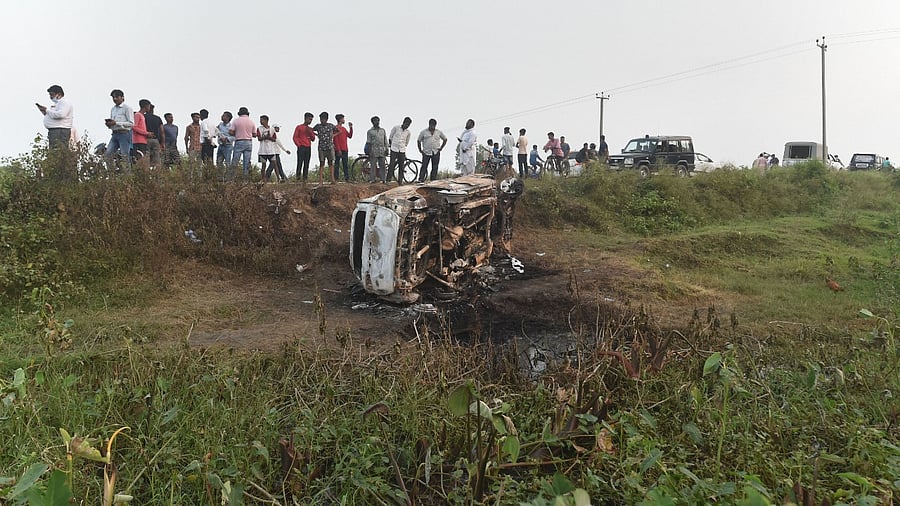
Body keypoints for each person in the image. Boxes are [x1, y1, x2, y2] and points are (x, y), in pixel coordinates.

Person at [37, 84, 74, 150]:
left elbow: (61, 114)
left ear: (59, 94)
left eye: (52, 94)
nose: (51, 97)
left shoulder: (64, 102)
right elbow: (54, 115)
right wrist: (45, 112)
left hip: (60, 130)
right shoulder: (57, 104)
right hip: (54, 130)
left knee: (58, 151)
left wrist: (47, 110)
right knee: (53, 152)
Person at [104, 89, 134, 166]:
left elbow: (131, 123)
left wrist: (116, 123)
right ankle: (111, 174)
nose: (115, 99)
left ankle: (127, 176)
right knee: (107, 155)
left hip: (124, 134)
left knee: (124, 156)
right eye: (113, 97)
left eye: (117, 97)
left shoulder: (127, 108)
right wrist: (110, 124)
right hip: (115, 134)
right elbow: (113, 122)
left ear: (122, 97)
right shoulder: (113, 109)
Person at [230, 107, 256, 179]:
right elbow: (254, 134)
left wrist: (236, 133)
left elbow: (231, 131)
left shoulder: (236, 121)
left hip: (239, 141)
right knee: (247, 162)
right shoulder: (251, 122)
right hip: (248, 142)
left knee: (235, 161)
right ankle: (246, 179)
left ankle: (232, 178)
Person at [312, 112, 336, 184]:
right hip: (321, 147)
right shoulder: (318, 126)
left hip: (329, 146)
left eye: (323, 119)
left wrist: (333, 135)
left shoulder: (331, 126)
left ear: (326, 119)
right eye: (320, 119)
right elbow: (311, 130)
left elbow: (339, 131)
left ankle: (332, 179)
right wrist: (317, 135)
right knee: (322, 163)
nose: (321, 121)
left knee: (330, 163)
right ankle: (320, 180)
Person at [387, 117, 412, 184]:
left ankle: (400, 181)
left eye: (408, 125)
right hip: (394, 149)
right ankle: (388, 180)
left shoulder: (408, 132)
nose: (407, 126)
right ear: (403, 122)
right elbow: (390, 137)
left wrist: (403, 146)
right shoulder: (396, 128)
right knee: (391, 165)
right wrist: (391, 145)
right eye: (406, 124)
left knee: (401, 166)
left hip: (402, 150)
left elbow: (406, 142)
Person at [292, 112, 316, 181]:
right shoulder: (299, 127)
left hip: (308, 147)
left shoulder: (310, 129)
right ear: (305, 118)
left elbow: (313, 139)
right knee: (300, 162)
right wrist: (299, 145)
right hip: (301, 147)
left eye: (311, 120)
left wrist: (310, 132)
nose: (310, 121)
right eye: (309, 119)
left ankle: (305, 178)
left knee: (307, 163)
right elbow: (295, 137)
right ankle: (298, 178)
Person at [366, 116, 389, 183]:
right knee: (373, 165)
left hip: (382, 150)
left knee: (382, 165)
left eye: (378, 121)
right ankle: (372, 179)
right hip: (374, 150)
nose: (377, 122)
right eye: (375, 121)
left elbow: (385, 140)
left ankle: (383, 179)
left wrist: (387, 149)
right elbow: (369, 142)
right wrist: (370, 151)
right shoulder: (370, 131)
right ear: (372, 122)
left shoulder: (383, 130)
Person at [257, 115, 279, 181]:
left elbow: (274, 139)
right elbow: (259, 138)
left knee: (275, 164)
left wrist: (269, 137)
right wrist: (265, 137)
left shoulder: (272, 129)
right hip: (262, 151)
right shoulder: (259, 128)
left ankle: (278, 178)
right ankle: (263, 179)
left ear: (266, 120)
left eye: (262, 120)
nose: (260, 121)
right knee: (263, 165)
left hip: (271, 150)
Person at [333, 114, 353, 182]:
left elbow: (349, 136)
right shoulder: (336, 128)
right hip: (338, 149)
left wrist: (351, 128)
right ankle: (336, 178)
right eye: (343, 119)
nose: (344, 120)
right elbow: (335, 140)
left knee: (345, 164)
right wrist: (338, 149)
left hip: (345, 149)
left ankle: (347, 178)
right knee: (337, 164)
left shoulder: (344, 129)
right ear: (340, 119)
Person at [144, 102, 164, 167]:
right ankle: (157, 174)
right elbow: (162, 132)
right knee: (157, 159)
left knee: (146, 157)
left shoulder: (143, 117)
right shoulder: (158, 118)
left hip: (145, 139)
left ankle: (146, 174)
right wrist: (162, 143)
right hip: (156, 140)